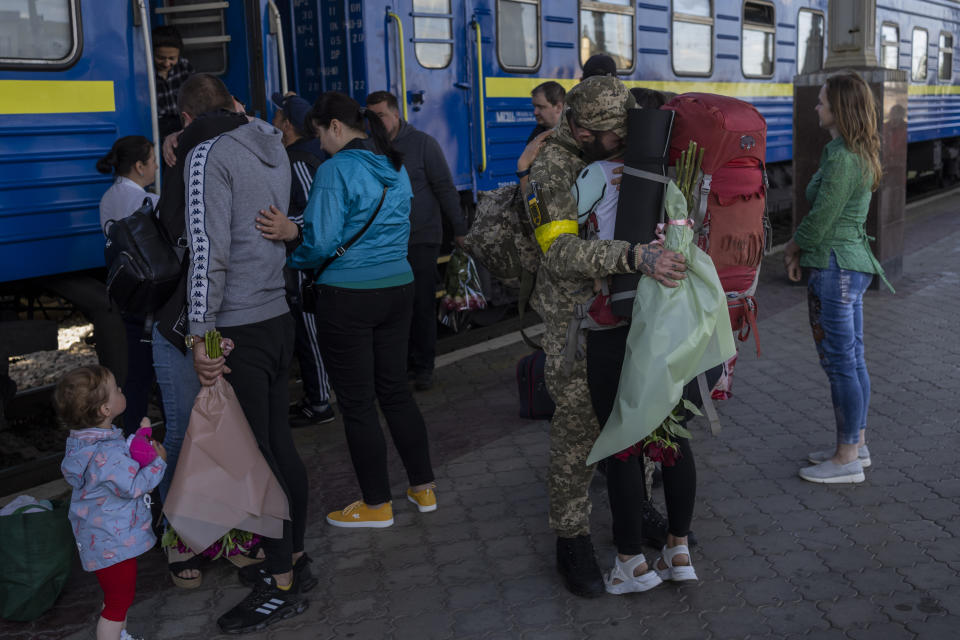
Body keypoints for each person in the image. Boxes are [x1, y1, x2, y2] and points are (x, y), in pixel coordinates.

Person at [524, 76, 689, 597]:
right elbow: (558, 252)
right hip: (573, 321)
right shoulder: (552, 167)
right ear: (582, 129)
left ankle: (633, 514)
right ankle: (571, 541)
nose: (624, 141)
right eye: (614, 134)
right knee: (577, 435)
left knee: (630, 420)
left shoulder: (617, 152)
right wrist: (633, 256)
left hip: (621, 316)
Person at [179, 73, 312, 632]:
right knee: (278, 444)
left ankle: (280, 580)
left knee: (260, 456)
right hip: (277, 319)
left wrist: (200, 340)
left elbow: (209, 253)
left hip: (236, 327)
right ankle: (294, 557)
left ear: (186, 120)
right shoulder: (269, 141)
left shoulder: (207, 156)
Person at [571, 85, 714, 594]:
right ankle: (678, 550)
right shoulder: (682, 172)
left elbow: (559, 236)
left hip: (618, 322)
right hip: (673, 325)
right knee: (673, 438)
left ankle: (630, 561)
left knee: (623, 442)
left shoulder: (593, 175)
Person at [280, 91, 437, 527]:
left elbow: (319, 244)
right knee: (396, 391)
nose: (319, 145)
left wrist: (292, 237)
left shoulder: (335, 170)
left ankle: (376, 504)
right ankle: (423, 488)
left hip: (348, 296)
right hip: (398, 286)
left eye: (318, 134)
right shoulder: (394, 165)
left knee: (358, 403)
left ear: (333, 127)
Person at [151, 74, 250, 588]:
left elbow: (173, 230)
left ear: (185, 119)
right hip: (199, 321)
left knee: (196, 428)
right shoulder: (249, 146)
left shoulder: (192, 155)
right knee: (207, 427)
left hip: (199, 321)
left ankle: (203, 538)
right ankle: (191, 536)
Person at [784, 70, 893, 484]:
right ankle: (856, 444)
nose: (816, 106)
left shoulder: (844, 158)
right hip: (849, 264)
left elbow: (821, 219)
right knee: (853, 358)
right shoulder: (847, 151)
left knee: (841, 363)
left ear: (840, 109)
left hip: (836, 265)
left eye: (823, 101)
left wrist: (793, 247)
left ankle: (846, 456)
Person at [365, 90, 467, 391]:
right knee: (391, 308)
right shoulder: (369, 148)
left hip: (420, 239)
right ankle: (398, 367)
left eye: (381, 115)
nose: (377, 122)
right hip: (384, 243)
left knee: (420, 304)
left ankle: (422, 368)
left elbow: (446, 189)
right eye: (371, 117)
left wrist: (460, 230)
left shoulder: (423, 144)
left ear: (396, 114)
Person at [56, 365, 167, 640]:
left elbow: (114, 467)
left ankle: (120, 636)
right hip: (113, 545)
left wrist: (135, 445)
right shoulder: (107, 454)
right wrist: (159, 463)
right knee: (117, 604)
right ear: (106, 410)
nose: (121, 390)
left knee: (115, 598)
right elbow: (133, 485)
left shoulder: (83, 443)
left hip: (99, 539)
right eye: (116, 389)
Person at [266, 91, 334, 426]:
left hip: (305, 263)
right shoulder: (309, 153)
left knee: (310, 334)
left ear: (288, 125)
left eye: (277, 115)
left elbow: (312, 214)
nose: (272, 120)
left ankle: (321, 403)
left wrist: (286, 227)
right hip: (307, 261)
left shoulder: (297, 160)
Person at [96, 136, 159, 436]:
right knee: (163, 371)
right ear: (138, 166)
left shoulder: (107, 198)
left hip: (127, 295)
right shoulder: (148, 202)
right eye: (153, 160)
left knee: (136, 375)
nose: (157, 166)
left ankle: (135, 434)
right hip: (155, 298)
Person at [153, 26, 195, 140]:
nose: (166, 63)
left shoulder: (185, 67)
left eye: (172, 58)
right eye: (160, 58)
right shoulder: (145, 70)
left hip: (182, 120)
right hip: (156, 124)